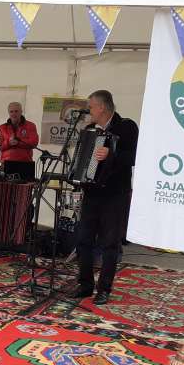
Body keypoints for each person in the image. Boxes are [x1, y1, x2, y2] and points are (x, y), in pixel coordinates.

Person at [74, 90, 139, 305]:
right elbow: (83, 159)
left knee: (110, 243)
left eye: (91, 106)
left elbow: (134, 157)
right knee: (83, 240)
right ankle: (85, 285)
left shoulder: (126, 127)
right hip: (92, 193)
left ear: (102, 107)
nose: (89, 110)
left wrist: (112, 155)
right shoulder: (90, 130)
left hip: (115, 194)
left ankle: (104, 289)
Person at [0, 102, 39, 181]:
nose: (14, 114)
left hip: (26, 163)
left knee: (25, 189)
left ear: (21, 112)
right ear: (8, 112)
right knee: (6, 188)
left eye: (16, 111)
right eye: (11, 111)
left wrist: (18, 142)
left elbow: (34, 143)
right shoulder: (2, 127)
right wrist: (9, 143)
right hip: (6, 164)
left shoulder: (30, 125)